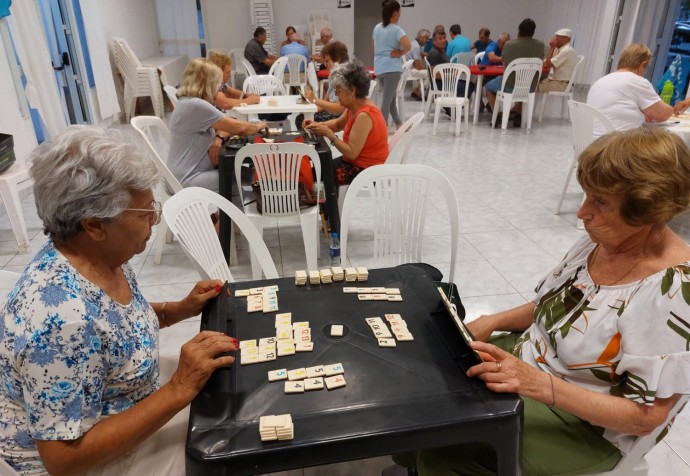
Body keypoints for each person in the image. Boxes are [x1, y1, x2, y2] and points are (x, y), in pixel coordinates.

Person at [387, 126, 690, 475]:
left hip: (584, 425)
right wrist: (494, 321)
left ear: (647, 209)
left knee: (449, 448)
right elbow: (555, 306)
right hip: (530, 364)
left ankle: (431, 463)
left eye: (600, 201)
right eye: (587, 195)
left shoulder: (672, 291)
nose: (582, 212)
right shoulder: (601, 242)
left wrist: (538, 384)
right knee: (430, 375)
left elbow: (646, 418)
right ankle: (418, 462)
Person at [0, 125, 238, 475]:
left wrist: (178, 310)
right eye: (144, 213)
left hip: (124, 398)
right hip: (93, 460)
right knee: (226, 440)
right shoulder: (62, 320)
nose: (155, 219)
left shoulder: (96, 256)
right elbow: (64, 459)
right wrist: (177, 389)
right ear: (95, 225)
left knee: (228, 387)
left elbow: (115, 325)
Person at [168, 58, 267, 192]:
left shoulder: (187, 102)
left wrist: (218, 138)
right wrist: (259, 125)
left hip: (182, 175)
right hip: (189, 179)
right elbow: (240, 128)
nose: (220, 87)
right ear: (208, 83)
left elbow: (227, 125)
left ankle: (222, 213)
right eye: (218, 83)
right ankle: (232, 213)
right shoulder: (197, 105)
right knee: (252, 175)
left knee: (243, 171)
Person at [304, 60, 388, 186]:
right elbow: (338, 124)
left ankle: (329, 205)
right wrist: (316, 125)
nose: (337, 96)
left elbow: (352, 153)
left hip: (366, 170)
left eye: (339, 91)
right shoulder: (355, 106)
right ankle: (328, 203)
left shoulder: (364, 115)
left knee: (314, 173)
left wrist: (329, 134)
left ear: (352, 91)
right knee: (316, 168)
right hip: (356, 162)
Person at [588, 43, 673, 137]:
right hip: (616, 145)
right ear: (643, 65)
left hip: (591, 143)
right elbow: (664, 114)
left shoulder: (601, 81)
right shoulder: (637, 81)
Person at [485, 18, 545, 124]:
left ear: (519, 32)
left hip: (510, 84)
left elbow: (504, 62)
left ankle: (496, 115)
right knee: (524, 83)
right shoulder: (541, 45)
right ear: (533, 32)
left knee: (488, 87)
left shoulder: (510, 45)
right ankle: (518, 113)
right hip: (530, 86)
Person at [372, 0, 411, 130]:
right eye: (399, 11)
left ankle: (398, 123)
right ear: (395, 13)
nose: (400, 14)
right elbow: (408, 46)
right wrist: (400, 53)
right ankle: (381, 129)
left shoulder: (377, 28)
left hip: (379, 68)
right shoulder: (397, 29)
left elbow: (373, 49)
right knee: (386, 101)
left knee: (390, 97)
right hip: (392, 69)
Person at [304, 40, 349, 122]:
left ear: (337, 60)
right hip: (332, 112)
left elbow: (340, 108)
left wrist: (314, 99)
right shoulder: (334, 76)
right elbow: (325, 102)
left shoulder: (344, 77)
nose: (325, 65)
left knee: (303, 120)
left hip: (339, 116)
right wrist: (310, 110)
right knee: (303, 118)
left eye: (327, 61)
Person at [427, 30, 475, 104]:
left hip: (446, 81)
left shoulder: (441, 51)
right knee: (469, 85)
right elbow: (436, 75)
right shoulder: (435, 53)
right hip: (441, 84)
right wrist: (453, 75)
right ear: (434, 41)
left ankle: (453, 108)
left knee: (468, 84)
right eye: (440, 38)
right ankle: (453, 108)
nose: (443, 40)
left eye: (444, 38)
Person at [537, 28, 579, 93]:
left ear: (565, 39)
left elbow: (547, 65)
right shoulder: (557, 49)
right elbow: (545, 63)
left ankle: (526, 103)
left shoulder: (567, 50)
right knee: (532, 84)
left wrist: (552, 48)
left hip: (562, 84)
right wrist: (553, 49)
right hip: (554, 80)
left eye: (557, 36)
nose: (554, 39)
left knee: (533, 87)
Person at [403, 28, 431, 100]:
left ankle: (416, 91)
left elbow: (420, 54)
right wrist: (428, 69)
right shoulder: (416, 47)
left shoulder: (413, 43)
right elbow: (418, 66)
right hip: (409, 71)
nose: (428, 40)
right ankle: (419, 92)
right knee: (431, 74)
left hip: (404, 69)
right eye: (426, 38)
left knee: (426, 72)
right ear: (420, 37)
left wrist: (426, 55)